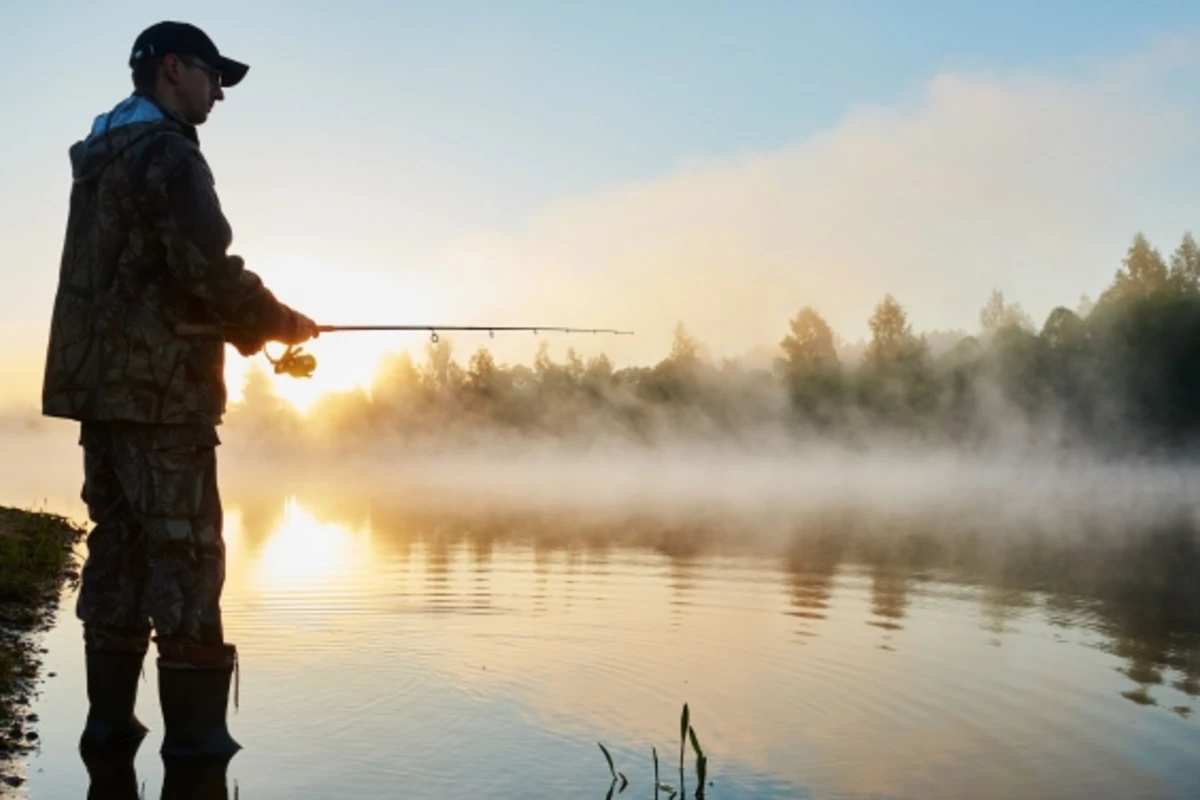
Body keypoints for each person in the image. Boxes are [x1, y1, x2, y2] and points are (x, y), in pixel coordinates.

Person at [41, 21, 318, 758]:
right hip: (163, 397)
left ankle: (108, 731)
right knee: (188, 556)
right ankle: (196, 751)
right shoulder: (167, 153)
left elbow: (144, 280)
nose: (220, 91)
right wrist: (281, 322)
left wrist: (250, 328)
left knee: (120, 549)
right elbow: (206, 270)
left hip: (100, 392)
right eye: (211, 74)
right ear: (172, 69)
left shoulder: (100, 157)